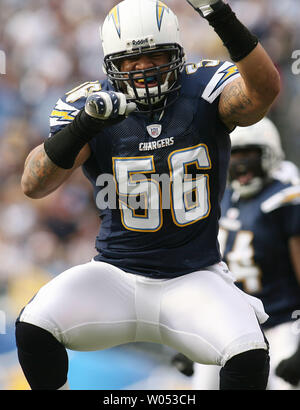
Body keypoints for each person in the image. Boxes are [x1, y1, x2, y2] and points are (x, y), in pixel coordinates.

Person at [15, 0, 281, 390]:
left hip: (195, 277)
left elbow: (264, 90)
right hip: (116, 275)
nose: (144, 70)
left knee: (248, 352)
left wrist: (219, 14)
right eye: (130, 61)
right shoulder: (91, 105)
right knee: (35, 326)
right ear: (111, 64)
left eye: (155, 55)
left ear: (176, 53)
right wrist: (85, 125)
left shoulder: (203, 91)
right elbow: (34, 184)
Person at [173, 118, 300, 390]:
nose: (241, 163)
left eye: (249, 154)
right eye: (235, 154)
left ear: (269, 152)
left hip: (282, 324)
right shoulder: (225, 198)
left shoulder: (287, 200)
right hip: (231, 325)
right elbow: (212, 274)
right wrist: (190, 340)